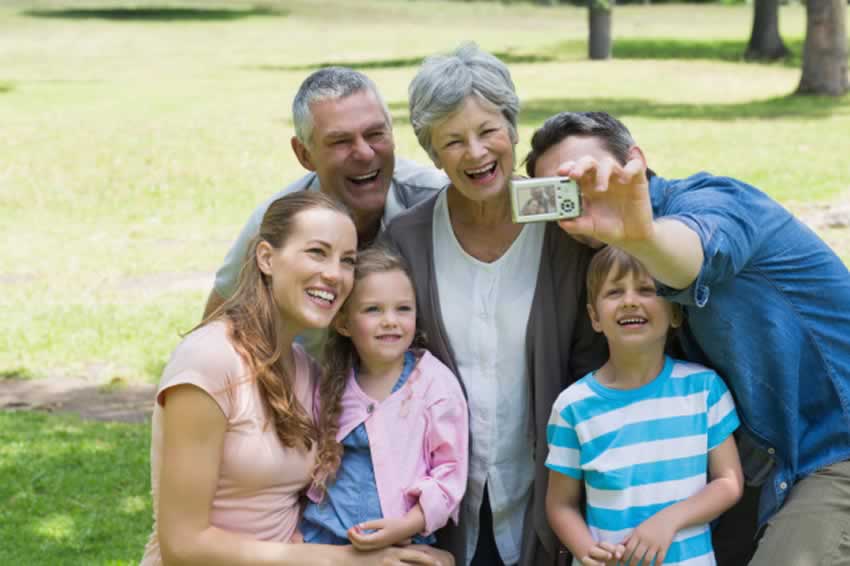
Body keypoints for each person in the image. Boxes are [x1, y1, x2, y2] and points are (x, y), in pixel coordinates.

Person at [526, 110, 850, 565]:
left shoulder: (717, 203)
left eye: (590, 175)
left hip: (836, 447)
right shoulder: (598, 256)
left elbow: (694, 255)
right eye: (564, 193)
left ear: (634, 161)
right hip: (767, 461)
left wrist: (641, 237)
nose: (584, 197)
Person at [384, 44, 607, 566]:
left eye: (488, 131)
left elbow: (595, 353)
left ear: (512, 128)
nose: (477, 153)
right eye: (453, 141)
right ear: (433, 153)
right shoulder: (407, 238)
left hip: (556, 497)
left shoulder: (563, 220)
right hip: (443, 506)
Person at [141, 192, 451, 566]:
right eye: (317, 252)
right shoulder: (210, 361)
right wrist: (349, 561)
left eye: (347, 260)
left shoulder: (308, 370)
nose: (335, 274)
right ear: (267, 258)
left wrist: (409, 550)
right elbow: (184, 545)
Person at [545, 245, 744, 566]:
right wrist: (586, 551)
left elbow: (729, 482)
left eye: (647, 290)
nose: (629, 301)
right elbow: (560, 505)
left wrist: (670, 520)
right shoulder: (573, 406)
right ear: (594, 317)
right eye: (614, 292)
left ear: (676, 312)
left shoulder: (703, 389)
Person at [203, 66, 447, 318]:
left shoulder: (438, 202)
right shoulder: (276, 225)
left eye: (375, 134)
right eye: (341, 141)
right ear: (304, 154)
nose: (364, 153)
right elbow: (216, 324)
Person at [299, 245, 469, 551]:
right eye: (373, 309)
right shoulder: (331, 383)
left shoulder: (434, 385)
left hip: (401, 544)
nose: (390, 320)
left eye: (403, 308)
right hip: (326, 542)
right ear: (343, 323)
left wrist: (405, 526)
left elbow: (450, 475)